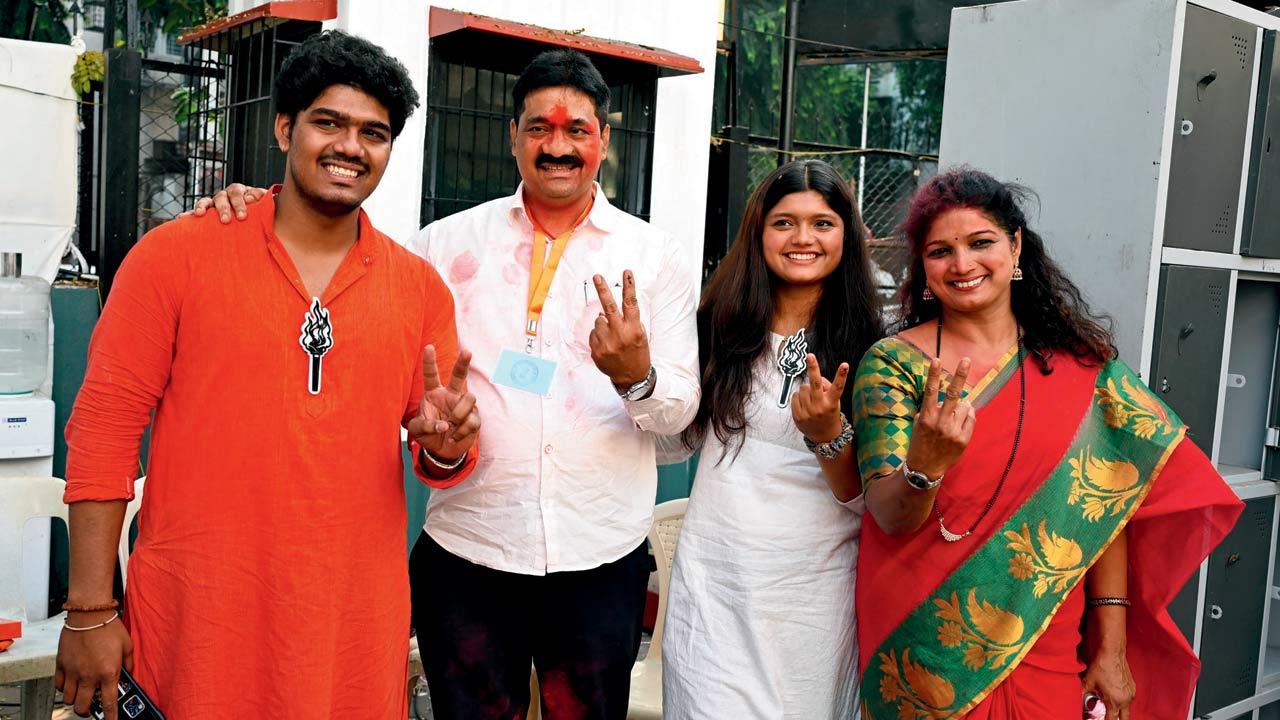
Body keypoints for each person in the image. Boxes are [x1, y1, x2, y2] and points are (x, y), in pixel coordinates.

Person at [191, 48, 700, 719]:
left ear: (603, 140)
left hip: (600, 559)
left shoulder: (652, 256)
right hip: (469, 555)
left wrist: (637, 380)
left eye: (577, 129)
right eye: (540, 129)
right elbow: (341, 263)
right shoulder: (441, 245)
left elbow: (680, 422)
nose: (558, 147)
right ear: (512, 136)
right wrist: (263, 207)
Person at [55, 31, 479, 720]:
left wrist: (446, 443)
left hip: (351, 632)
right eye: (328, 122)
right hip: (202, 626)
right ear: (285, 128)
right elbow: (102, 433)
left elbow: (438, 441)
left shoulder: (419, 288)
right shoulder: (176, 257)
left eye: (374, 132)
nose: (350, 146)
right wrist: (90, 609)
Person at [842, 167, 1242, 719]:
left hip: (1045, 633)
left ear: (1016, 246)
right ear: (923, 267)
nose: (962, 265)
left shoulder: (1080, 366)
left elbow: (1106, 507)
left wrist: (1112, 648)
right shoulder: (894, 365)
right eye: (940, 251)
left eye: (980, 243)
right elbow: (890, 516)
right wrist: (925, 466)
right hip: (924, 638)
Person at [658, 160, 882, 719]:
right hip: (717, 587)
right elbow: (672, 445)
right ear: (759, 233)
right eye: (784, 223)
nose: (803, 238)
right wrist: (636, 382)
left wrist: (830, 435)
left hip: (816, 597)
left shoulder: (876, 346)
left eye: (822, 224)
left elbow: (871, 499)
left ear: (847, 237)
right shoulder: (717, 325)